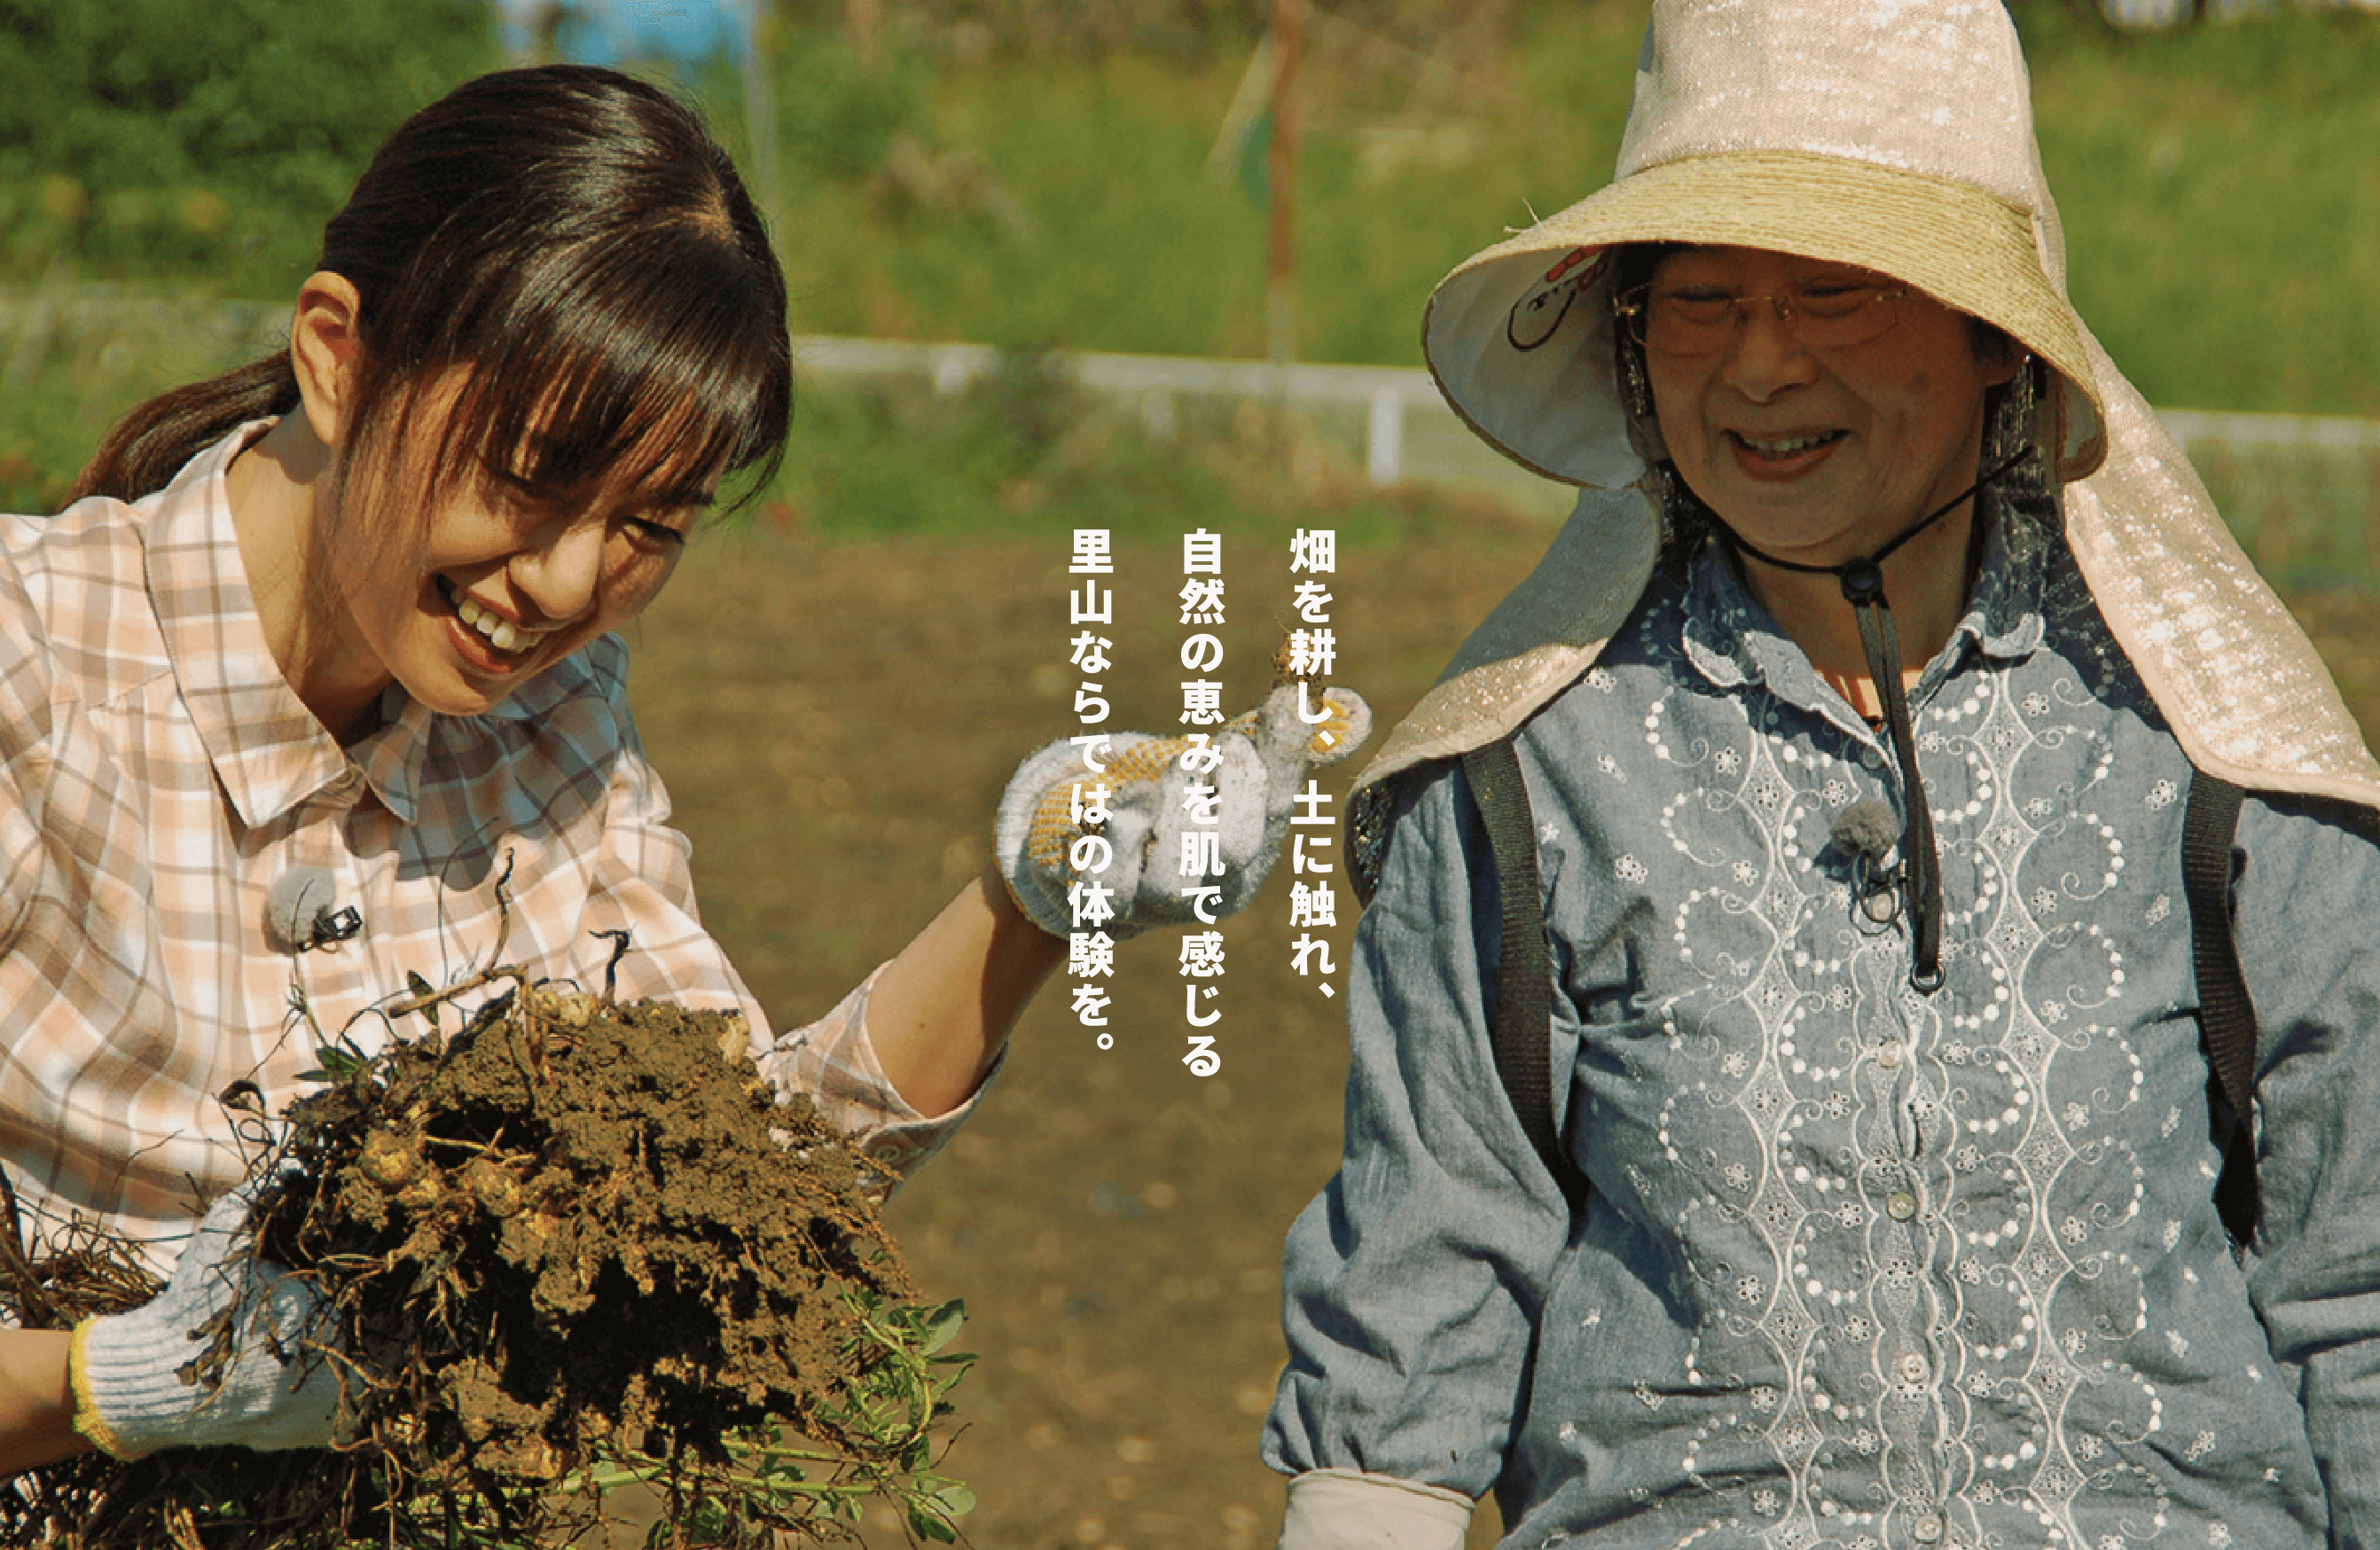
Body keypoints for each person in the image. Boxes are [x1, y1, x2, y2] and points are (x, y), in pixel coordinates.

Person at [0, 65, 1364, 1476]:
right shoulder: (31, 678)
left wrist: (1031, 895)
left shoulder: (549, 719)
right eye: (525, 475)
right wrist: (109, 1381)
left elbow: (729, 1189)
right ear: (339, 360)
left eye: (650, 525)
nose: (566, 582)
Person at [1264, 3, 2380, 1547]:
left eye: (1836, 293)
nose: (1761, 362)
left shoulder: (2216, 760)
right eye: (1701, 297)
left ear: (1996, 335)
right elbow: (1422, 1292)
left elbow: (2356, 1286)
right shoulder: (1524, 782)